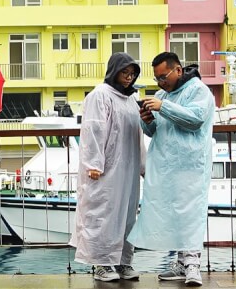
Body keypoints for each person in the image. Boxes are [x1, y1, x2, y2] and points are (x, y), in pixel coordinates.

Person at [128, 52, 215, 287]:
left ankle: (193, 265)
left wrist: (163, 107)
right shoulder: (160, 95)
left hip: (190, 164)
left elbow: (195, 120)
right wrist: (146, 119)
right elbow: (154, 130)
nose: (160, 83)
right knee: (173, 214)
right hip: (166, 165)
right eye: (157, 79)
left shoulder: (198, 90)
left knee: (191, 213)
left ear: (178, 70)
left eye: (163, 77)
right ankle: (179, 262)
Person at [69, 52, 145, 282]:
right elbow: (94, 129)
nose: (129, 78)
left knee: (128, 215)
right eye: (125, 72)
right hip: (105, 169)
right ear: (114, 71)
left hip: (128, 168)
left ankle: (123, 262)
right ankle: (101, 264)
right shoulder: (100, 95)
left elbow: (138, 133)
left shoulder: (132, 98)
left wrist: (143, 164)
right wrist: (94, 163)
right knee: (103, 214)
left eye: (132, 74)